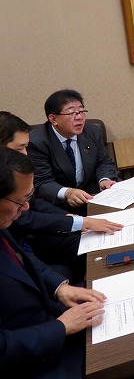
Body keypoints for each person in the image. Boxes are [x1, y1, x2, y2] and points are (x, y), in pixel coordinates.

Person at [0, 146, 106, 377]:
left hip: (48, 319)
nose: (26, 208)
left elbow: (21, 260)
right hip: (31, 357)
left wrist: (60, 288)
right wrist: (61, 327)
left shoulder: (4, 222)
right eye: (20, 201)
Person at [0, 111, 122, 283]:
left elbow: (34, 202)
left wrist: (69, 218)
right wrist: (78, 222)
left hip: (39, 232)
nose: (25, 154)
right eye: (19, 148)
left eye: (26, 147)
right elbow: (26, 217)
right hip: (27, 243)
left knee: (101, 241)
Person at [27, 89, 119, 215]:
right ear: (53, 119)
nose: (79, 117)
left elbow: (103, 161)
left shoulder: (92, 132)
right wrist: (67, 193)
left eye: (81, 111)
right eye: (71, 113)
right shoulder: (37, 142)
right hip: (60, 204)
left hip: (93, 196)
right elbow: (42, 182)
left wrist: (104, 179)